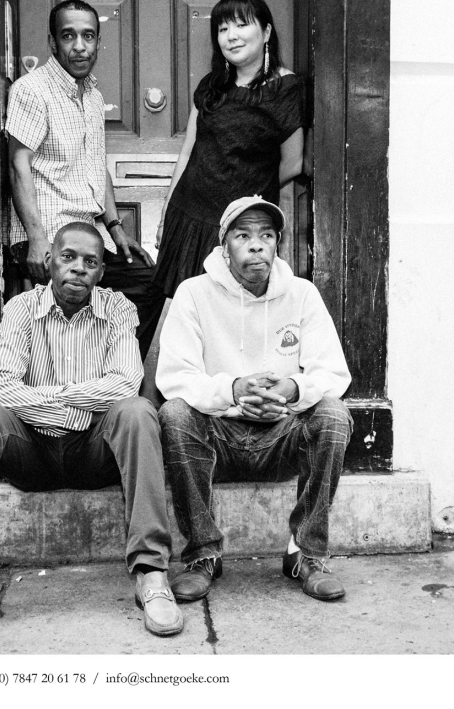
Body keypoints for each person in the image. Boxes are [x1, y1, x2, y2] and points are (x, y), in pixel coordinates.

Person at [0, 222, 183, 644]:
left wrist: (50, 398)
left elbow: (125, 384)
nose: (78, 268)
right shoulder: (22, 308)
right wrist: (74, 403)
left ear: (101, 272)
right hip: (33, 451)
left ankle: (151, 573)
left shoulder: (118, 309)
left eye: (90, 262)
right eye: (68, 257)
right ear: (50, 261)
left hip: (93, 451)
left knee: (138, 412)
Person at [156, 196, 353, 603]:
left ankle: (305, 554)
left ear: (278, 243)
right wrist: (234, 389)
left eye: (266, 235)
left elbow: (333, 373)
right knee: (174, 413)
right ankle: (203, 554)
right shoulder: (193, 293)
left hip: (281, 436)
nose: (256, 245)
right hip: (219, 438)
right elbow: (174, 377)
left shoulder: (302, 294)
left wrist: (291, 389)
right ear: (224, 246)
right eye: (243, 236)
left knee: (334, 414)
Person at [5, 0, 164, 356]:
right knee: (72, 303)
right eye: (68, 36)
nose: (79, 46)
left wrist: (116, 229)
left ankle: (114, 370)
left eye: (88, 36)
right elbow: (18, 164)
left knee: (150, 280)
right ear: (52, 42)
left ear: (97, 42)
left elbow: (96, 166)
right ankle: (78, 375)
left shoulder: (93, 96)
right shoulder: (32, 90)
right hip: (48, 233)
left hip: (90, 233)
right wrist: (36, 239)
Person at [152, 0, 305, 300]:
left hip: (241, 226)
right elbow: (189, 151)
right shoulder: (212, 86)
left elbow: (293, 163)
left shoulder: (285, 88)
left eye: (241, 25)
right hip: (188, 217)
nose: (231, 36)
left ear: (266, 32)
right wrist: (167, 211)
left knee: (237, 312)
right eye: (223, 29)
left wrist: (243, 190)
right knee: (184, 309)